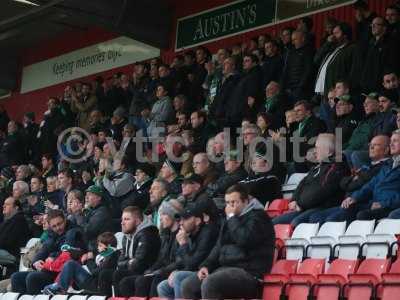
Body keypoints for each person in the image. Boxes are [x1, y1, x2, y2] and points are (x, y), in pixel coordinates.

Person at [179, 184, 275, 299]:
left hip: (250, 272)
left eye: (233, 202)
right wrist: (206, 265)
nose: (229, 206)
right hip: (226, 269)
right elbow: (219, 246)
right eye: (227, 203)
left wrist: (231, 217)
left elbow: (244, 240)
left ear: (246, 201)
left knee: (211, 283)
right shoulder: (230, 219)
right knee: (188, 285)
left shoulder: (259, 217)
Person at [321, 130, 400, 221]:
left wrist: (384, 204)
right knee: (346, 209)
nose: (391, 144)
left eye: (395, 141)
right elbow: (370, 185)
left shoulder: (384, 164)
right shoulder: (388, 165)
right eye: (391, 142)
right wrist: (354, 198)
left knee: (360, 216)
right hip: (374, 204)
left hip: (389, 206)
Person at [273, 134, 350, 226]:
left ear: (329, 152)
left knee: (296, 223)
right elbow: (302, 184)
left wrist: (300, 204)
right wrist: (294, 200)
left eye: (317, 148)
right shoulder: (318, 167)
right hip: (306, 207)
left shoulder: (337, 167)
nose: (314, 151)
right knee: (273, 223)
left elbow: (322, 191)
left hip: (323, 207)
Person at [120, 200, 182, 297]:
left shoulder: (181, 235)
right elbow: (161, 259)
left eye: (163, 214)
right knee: (127, 281)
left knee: (145, 281)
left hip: (173, 271)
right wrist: (151, 270)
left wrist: (160, 271)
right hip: (162, 270)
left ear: (173, 215)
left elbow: (180, 260)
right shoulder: (166, 235)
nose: (160, 218)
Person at [156, 203, 219, 299]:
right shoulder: (189, 233)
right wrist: (174, 270)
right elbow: (182, 262)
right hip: (193, 270)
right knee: (162, 287)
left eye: (185, 219)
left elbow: (193, 264)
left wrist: (183, 244)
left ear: (197, 221)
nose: (181, 223)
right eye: (180, 219)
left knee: (178, 277)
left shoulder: (208, 233)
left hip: (206, 271)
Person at [11, 209, 78, 294]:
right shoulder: (51, 234)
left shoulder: (73, 232)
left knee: (33, 277)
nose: (58, 228)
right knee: (16, 277)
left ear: (65, 220)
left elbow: (67, 252)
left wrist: (52, 257)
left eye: (59, 224)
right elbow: (44, 250)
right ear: (50, 226)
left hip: (61, 272)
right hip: (48, 269)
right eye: (54, 226)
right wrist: (35, 263)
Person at [98, 206, 160, 296]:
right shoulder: (127, 236)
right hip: (131, 269)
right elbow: (120, 261)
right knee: (105, 274)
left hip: (146, 271)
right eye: (122, 219)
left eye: (127, 219)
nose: (122, 223)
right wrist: (129, 263)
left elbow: (139, 264)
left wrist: (128, 263)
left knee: (119, 275)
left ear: (138, 221)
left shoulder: (147, 235)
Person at [42, 232, 119, 295]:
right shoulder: (102, 255)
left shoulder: (112, 257)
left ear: (108, 246)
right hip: (92, 281)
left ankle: (59, 288)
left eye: (100, 246)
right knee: (70, 264)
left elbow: (95, 272)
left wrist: (88, 260)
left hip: (96, 285)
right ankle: (58, 287)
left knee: (71, 264)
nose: (98, 248)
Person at [0, 197, 30, 264]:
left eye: (7, 204)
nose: (3, 206)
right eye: (4, 204)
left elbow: (8, 242)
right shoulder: (8, 220)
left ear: (16, 208)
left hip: (14, 254)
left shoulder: (19, 220)